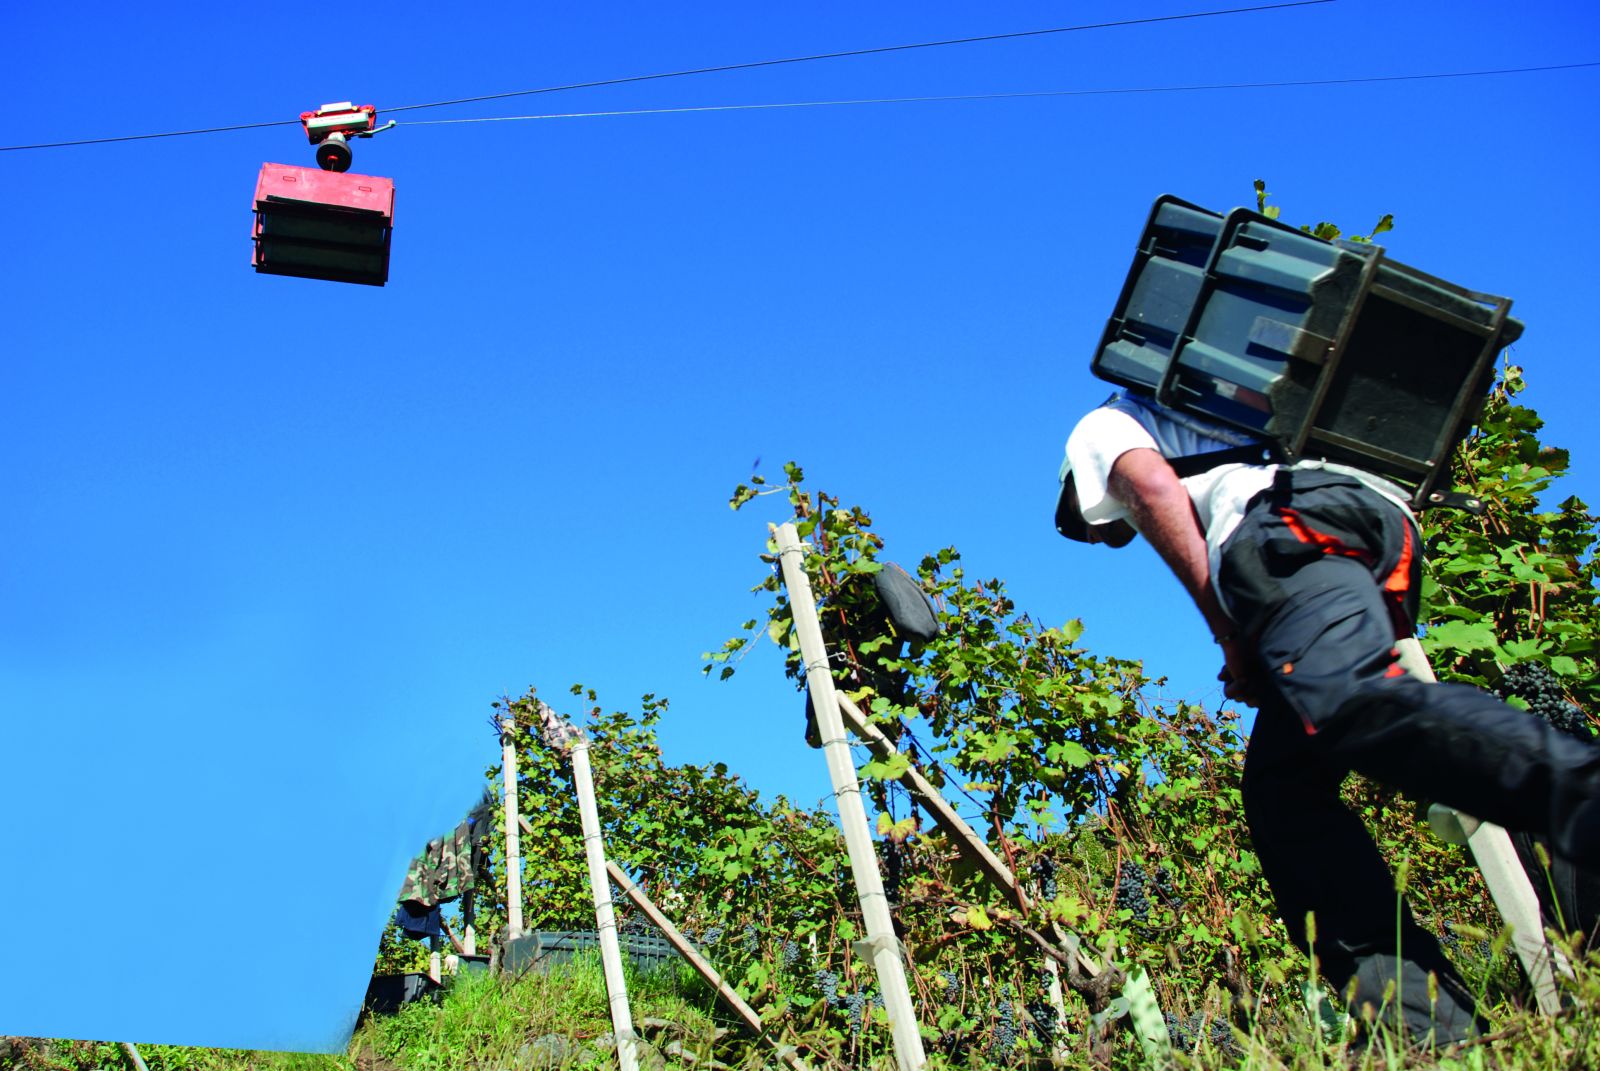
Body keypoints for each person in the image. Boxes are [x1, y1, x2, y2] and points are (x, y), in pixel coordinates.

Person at [1056, 388, 1600, 1042]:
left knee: (1355, 706)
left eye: (1091, 525)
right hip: (1371, 526)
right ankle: (1430, 1033)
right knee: (1283, 794)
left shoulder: (1104, 423)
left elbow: (1149, 487)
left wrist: (1230, 633)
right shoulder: (1220, 408)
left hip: (1287, 529)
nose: (1104, 534)